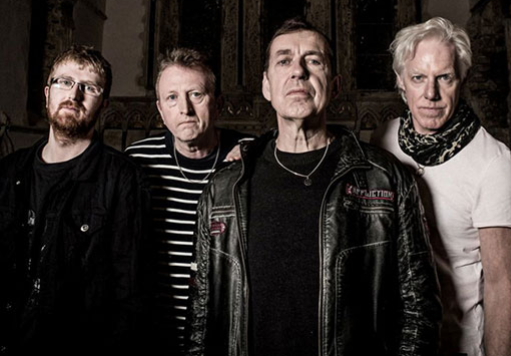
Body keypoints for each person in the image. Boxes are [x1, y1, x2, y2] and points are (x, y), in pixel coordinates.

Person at [188, 18, 441, 356]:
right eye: (284, 61)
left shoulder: (385, 178)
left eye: (313, 60)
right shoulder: (223, 188)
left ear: (334, 85)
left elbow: (419, 309)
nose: (298, 71)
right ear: (266, 86)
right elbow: (201, 315)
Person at [372, 17, 511, 356]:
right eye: (418, 78)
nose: (431, 94)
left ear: (461, 79)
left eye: (444, 78)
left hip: (456, 343)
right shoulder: (382, 139)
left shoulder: (493, 161)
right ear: (400, 81)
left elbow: (502, 288)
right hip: (392, 341)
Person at [0, 45, 148, 355]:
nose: (74, 94)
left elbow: (129, 291)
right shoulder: (9, 171)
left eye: (89, 87)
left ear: (104, 103)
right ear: (47, 93)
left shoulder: (122, 178)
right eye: (64, 82)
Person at [125, 48, 250, 354]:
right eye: (172, 98)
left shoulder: (249, 158)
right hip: (154, 332)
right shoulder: (137, 162)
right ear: (160, 109)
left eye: (196, 94)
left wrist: (258, 151)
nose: (185, 109)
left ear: (218, 103)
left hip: (223, 332)